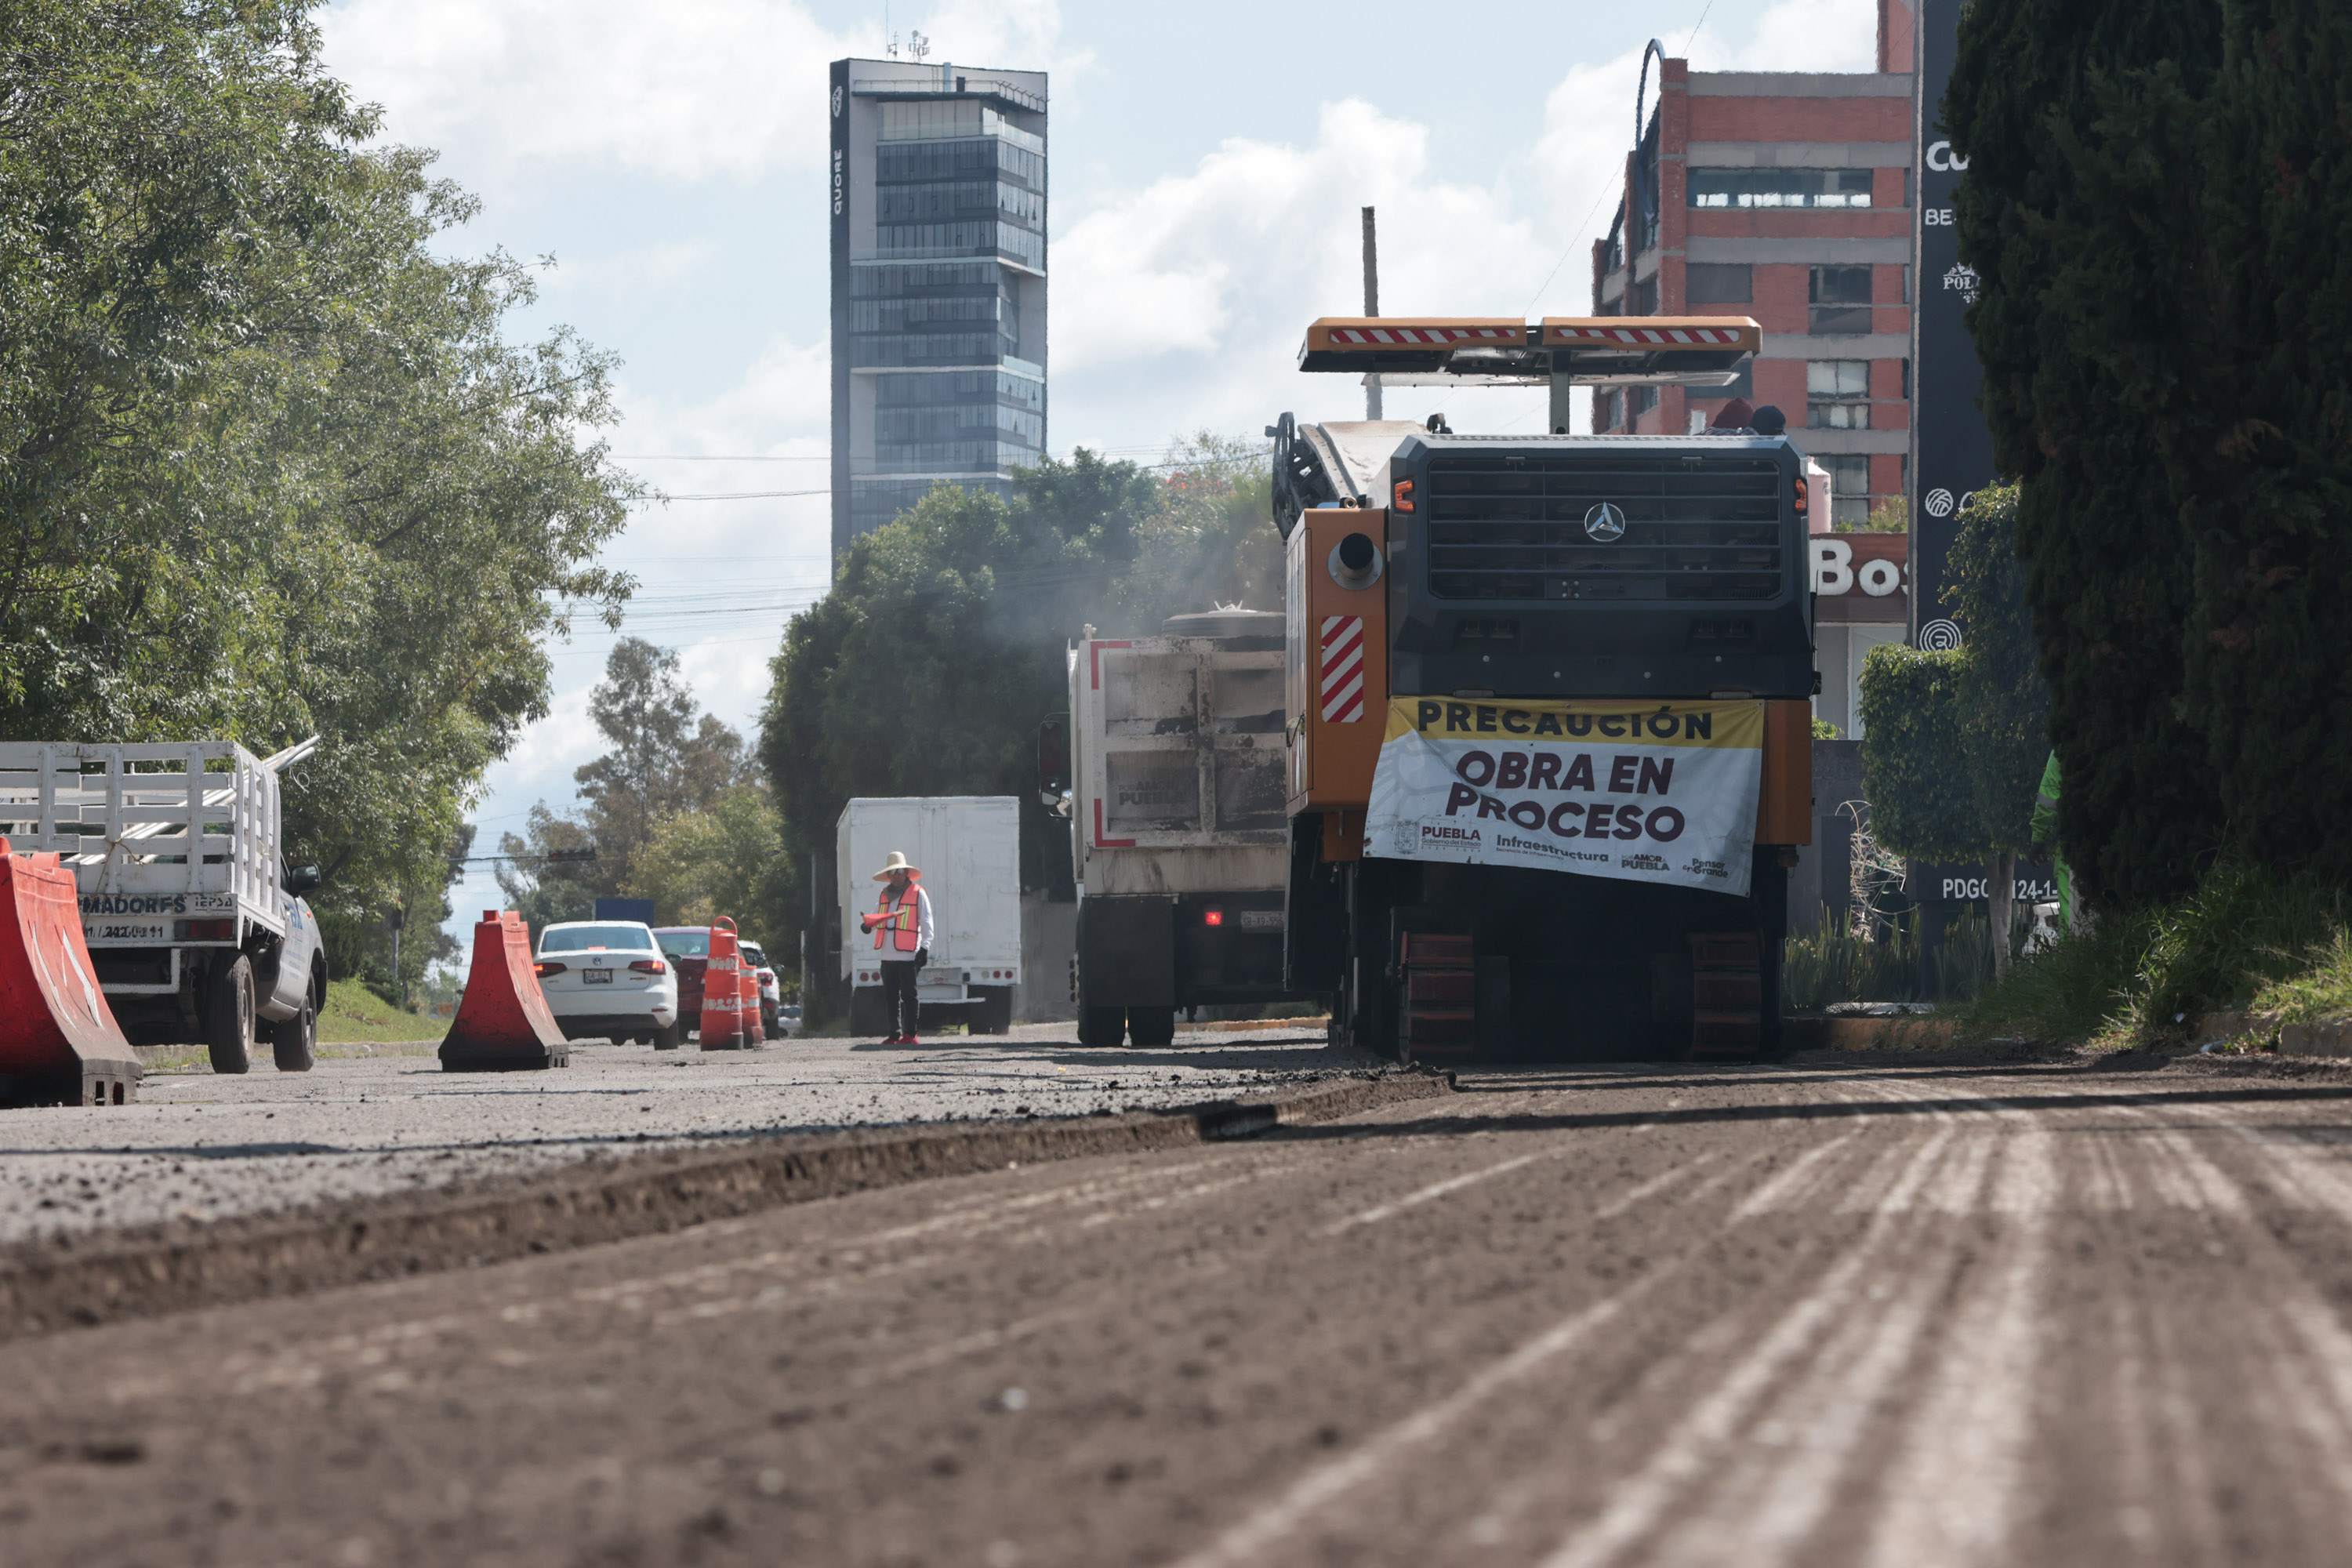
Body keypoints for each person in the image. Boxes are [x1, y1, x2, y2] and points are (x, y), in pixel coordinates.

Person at [858, 851, 934, 1044]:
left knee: (910, 996)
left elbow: (926, 922)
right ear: (888, 876)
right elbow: (875, 917)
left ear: (906, 872)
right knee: (890, 997)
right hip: (887, 955)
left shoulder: (918, 893)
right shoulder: (884, 895)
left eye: (900, 870)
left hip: (909, 955)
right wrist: (867, 925)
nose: (897, 875)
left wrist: (925, 947)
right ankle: (894, 1034)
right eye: (893, 872)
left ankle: (911, 1034)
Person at [2027, 750, 2074, 932]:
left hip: (2076, 848)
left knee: (2073, 920)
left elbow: (2048, 797)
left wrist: (2038, 840)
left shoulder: (2066, 745)